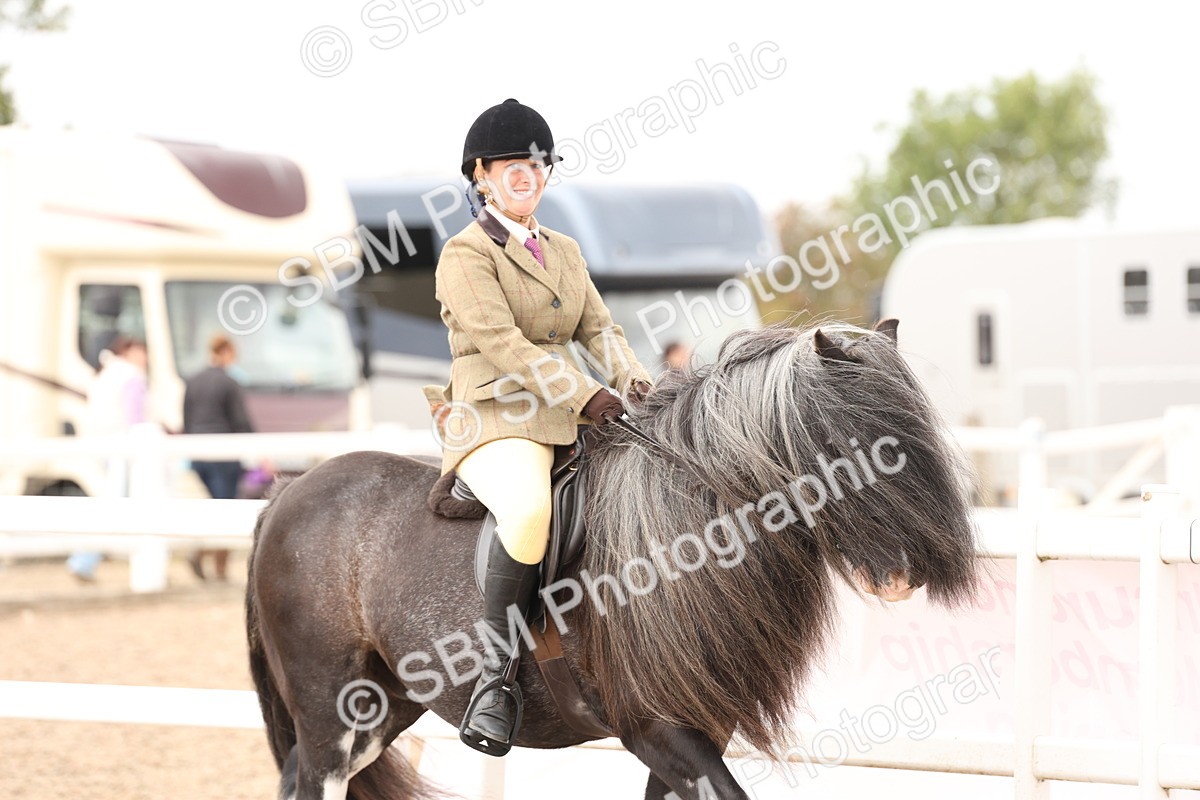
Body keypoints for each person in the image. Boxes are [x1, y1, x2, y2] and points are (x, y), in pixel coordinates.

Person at [422, 98, 655, 755]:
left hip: (569, 408)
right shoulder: (465, 255)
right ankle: (494, 683)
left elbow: (599, 329)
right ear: (481, 176)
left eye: (536, 162)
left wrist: (638, 387)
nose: (526, 173)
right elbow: (504, 346)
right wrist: (588, 395)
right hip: (495, 415)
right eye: (509, 164)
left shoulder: (565, 249)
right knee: (527, 511)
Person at [68, 336, 149, 582]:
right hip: (122, 450)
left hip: (101, 446)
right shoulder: (131, 376)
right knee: (113, 506)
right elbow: (134, 418)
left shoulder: (106, 373)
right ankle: (84, 560)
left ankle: (84, 560)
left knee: (106, 504)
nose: (145, 358)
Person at [183, 334, 254, 582]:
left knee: (211, 506)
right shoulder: (229, 382)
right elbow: (241, 422)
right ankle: (219, 567)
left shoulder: (192, 380)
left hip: (198, 454)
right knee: (226, 508)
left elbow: (187, 419)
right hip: (224, 456)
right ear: (226, 352)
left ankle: (200, 550)